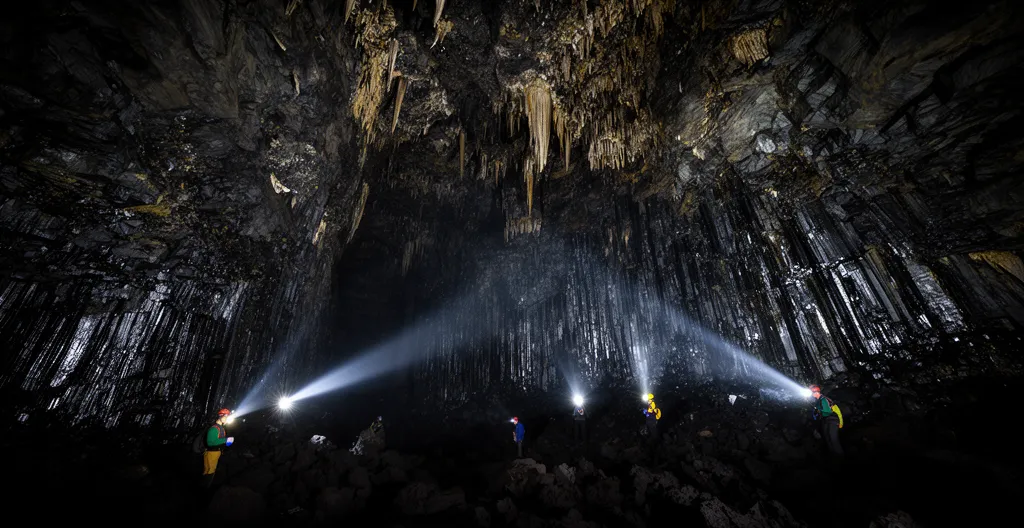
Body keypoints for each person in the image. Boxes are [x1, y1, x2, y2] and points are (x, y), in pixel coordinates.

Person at [809, 384, 844, 456]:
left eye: (812, 392)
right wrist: (816, 413)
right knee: (828, 439)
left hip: (832, 419)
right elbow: (816, 415)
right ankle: (834, 456)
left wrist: (819, 410)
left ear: (816, 392)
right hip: (825, 421)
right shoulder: (817, 402)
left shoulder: (823, 399)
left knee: (833, 438)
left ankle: (840, 456)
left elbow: (827, 411)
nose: (812, 395)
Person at [203, 408, 234, 485]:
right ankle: (204, 488)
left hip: (216, 453)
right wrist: (225, 440)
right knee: (209, 471)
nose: (227, 419)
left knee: (211, 471)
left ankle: (206, 485)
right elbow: (210, 443)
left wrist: (227, 443)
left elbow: (220, 440)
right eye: (226, 417)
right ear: (220, 416)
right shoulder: (214, 428)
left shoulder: (221, 428)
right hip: (211, 453)